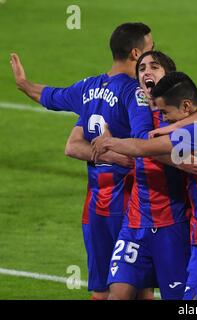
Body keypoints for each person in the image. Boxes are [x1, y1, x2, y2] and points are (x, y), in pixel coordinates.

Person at [10, 22, 155, 300]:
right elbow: (146, 144)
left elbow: (50, 96)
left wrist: (23, 84)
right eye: (151, 50)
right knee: (141, 289)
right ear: (136, 54)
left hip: (95, 207)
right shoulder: (134, 93)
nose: (153, 58)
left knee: (101, 290)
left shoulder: (88, 88)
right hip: (130, 205)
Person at [91, 71, 197, 300]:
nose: (164, 119)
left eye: (165, 113)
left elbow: (142, 149)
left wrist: (109, 142)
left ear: (186, 107)